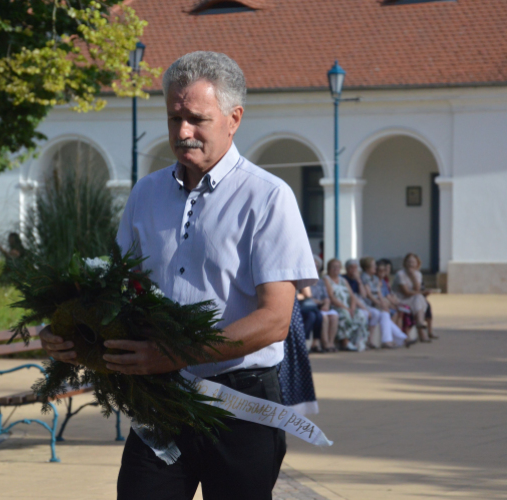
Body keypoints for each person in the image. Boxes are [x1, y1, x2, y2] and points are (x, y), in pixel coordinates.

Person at [39, 51, 317, 500]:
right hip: (161, 400)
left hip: (241, 403)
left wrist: (175, 354)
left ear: (234, 118)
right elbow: (117, 294)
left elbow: (274, 321)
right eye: (174, 118)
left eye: (196, 119)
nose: (182, 132)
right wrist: (70, 333)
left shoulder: (268, 198)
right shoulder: (146, 194)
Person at [360, 257, 412, 348]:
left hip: (376, 303)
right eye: (373, 266)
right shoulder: (364, 277)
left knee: (385, 315)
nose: (375, 267)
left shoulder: (375, 278)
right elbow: (369, 295)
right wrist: (379, 303)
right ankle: (402, 338)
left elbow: (379, 292)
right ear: (367, 268)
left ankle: (387, 341)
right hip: (368, 304)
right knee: (384, 313)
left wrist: (382, 302)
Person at [324, 259, 368, 351]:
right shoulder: (326, 279)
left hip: (347, 306)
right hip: (336, 306)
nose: (336, 269)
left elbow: (352, 296)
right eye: (333, 267)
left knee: (361, 315)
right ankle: (345, 342)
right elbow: (332, 297)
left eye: (338, 267)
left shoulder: (343, 280)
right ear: (328, 268)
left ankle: (358, 341)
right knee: (344, 314)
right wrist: (346, 308)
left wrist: (352, 307)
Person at [297, 255, 338, 352]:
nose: (315, 267)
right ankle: (313, 343)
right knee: (315, 315)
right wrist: (321, 303)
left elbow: (326, 297)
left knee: (324, 315)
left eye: (317, 266)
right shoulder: (304, 278)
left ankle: (322, 343)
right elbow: (307, 296)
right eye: (313, 265)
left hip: (317, 307)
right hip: (304, 306)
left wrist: (326, 304)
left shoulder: (320, 281)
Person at [392, 253, 432, 342]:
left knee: (419, 298)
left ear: (417, 264)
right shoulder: (400, 274)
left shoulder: (418, 274)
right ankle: (421, 328)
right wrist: (422, 292)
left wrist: (413, 276)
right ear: (405, 263)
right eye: (409, 262)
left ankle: (420, 324)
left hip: (412, 299)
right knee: (419, 297)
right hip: (400, 299)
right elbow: (406, 293)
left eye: (413, 262)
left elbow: (416, 288)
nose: (411, 264)